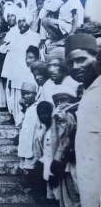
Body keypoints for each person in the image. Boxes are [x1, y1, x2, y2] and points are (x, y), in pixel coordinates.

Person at [65, 33, 101, 207]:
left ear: (97, 58)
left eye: (81, 59)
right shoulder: (88, 93)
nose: (75, 66)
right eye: (70, 62)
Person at [9, 9, 40, 124]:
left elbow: (37, 56)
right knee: (16, 99)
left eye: (23, 21)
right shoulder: (15, 36)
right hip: (16, 73)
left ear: (28, 22)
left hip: (29, 73)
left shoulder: (35, 36)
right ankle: (17, 122)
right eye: (19, 21)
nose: (21, 24)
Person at [51, 85, 80, 207]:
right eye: (57, 100)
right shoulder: (58, 115)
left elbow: (66, 140)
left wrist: (58, 160)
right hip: (63, 162)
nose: (60, 103)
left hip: (70, 161)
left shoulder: (69, 115)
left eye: (63, 99)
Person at [36, 100, 59, 206]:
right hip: (47, 172)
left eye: (46, 113)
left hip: (57, 171)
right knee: (51, 198)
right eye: (40, 114)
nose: (43, 116)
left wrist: (55, 173)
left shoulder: (56, 130)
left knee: (59, 198)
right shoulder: (42, 131)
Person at [18, 82, 44, 172]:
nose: (25, 96)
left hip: (34, 143)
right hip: (25, 141)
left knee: (35, 168)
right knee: (26, 167)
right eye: (23, 94)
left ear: (35, 94)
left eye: (28, 93)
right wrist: (23, 108)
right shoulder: (27, 108)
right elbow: (18, 124)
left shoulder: (38, 107)